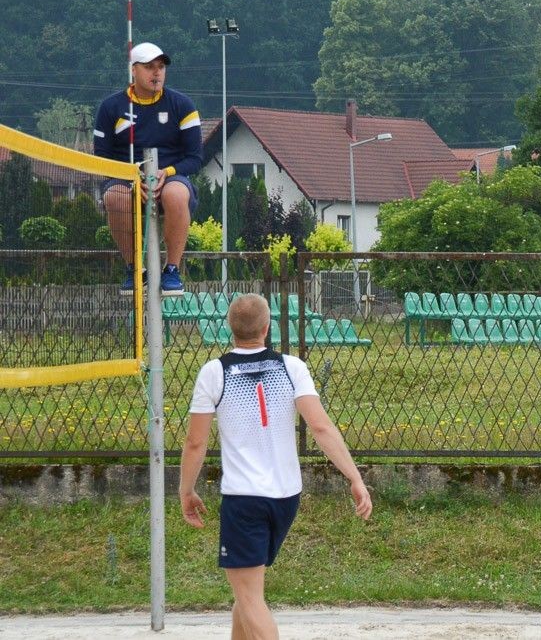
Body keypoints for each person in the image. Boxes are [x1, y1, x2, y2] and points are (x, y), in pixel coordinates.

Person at [179, 293, 372, 639]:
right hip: (286, 497)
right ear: (267, 328)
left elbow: (195, 443)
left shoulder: (214, 372)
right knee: (246, 592)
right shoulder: (291, 366)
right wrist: (354, 477)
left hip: (244, 499)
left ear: (229, 329)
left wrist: (186, 490)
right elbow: (321, 427)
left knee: (250, 598)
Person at [93, 42, 202, 295]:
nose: (157, 73)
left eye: (161, 67)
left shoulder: (182, 105)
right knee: (114, 196)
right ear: (134, 70)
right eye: (150, 67)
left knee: (175, 193)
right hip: (126, 181)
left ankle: (172, 270)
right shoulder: (111, 108)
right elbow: (102, 158)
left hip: (171, 179)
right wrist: (132, 179)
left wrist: (167, 173)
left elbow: (195, 158)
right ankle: (134, 269)